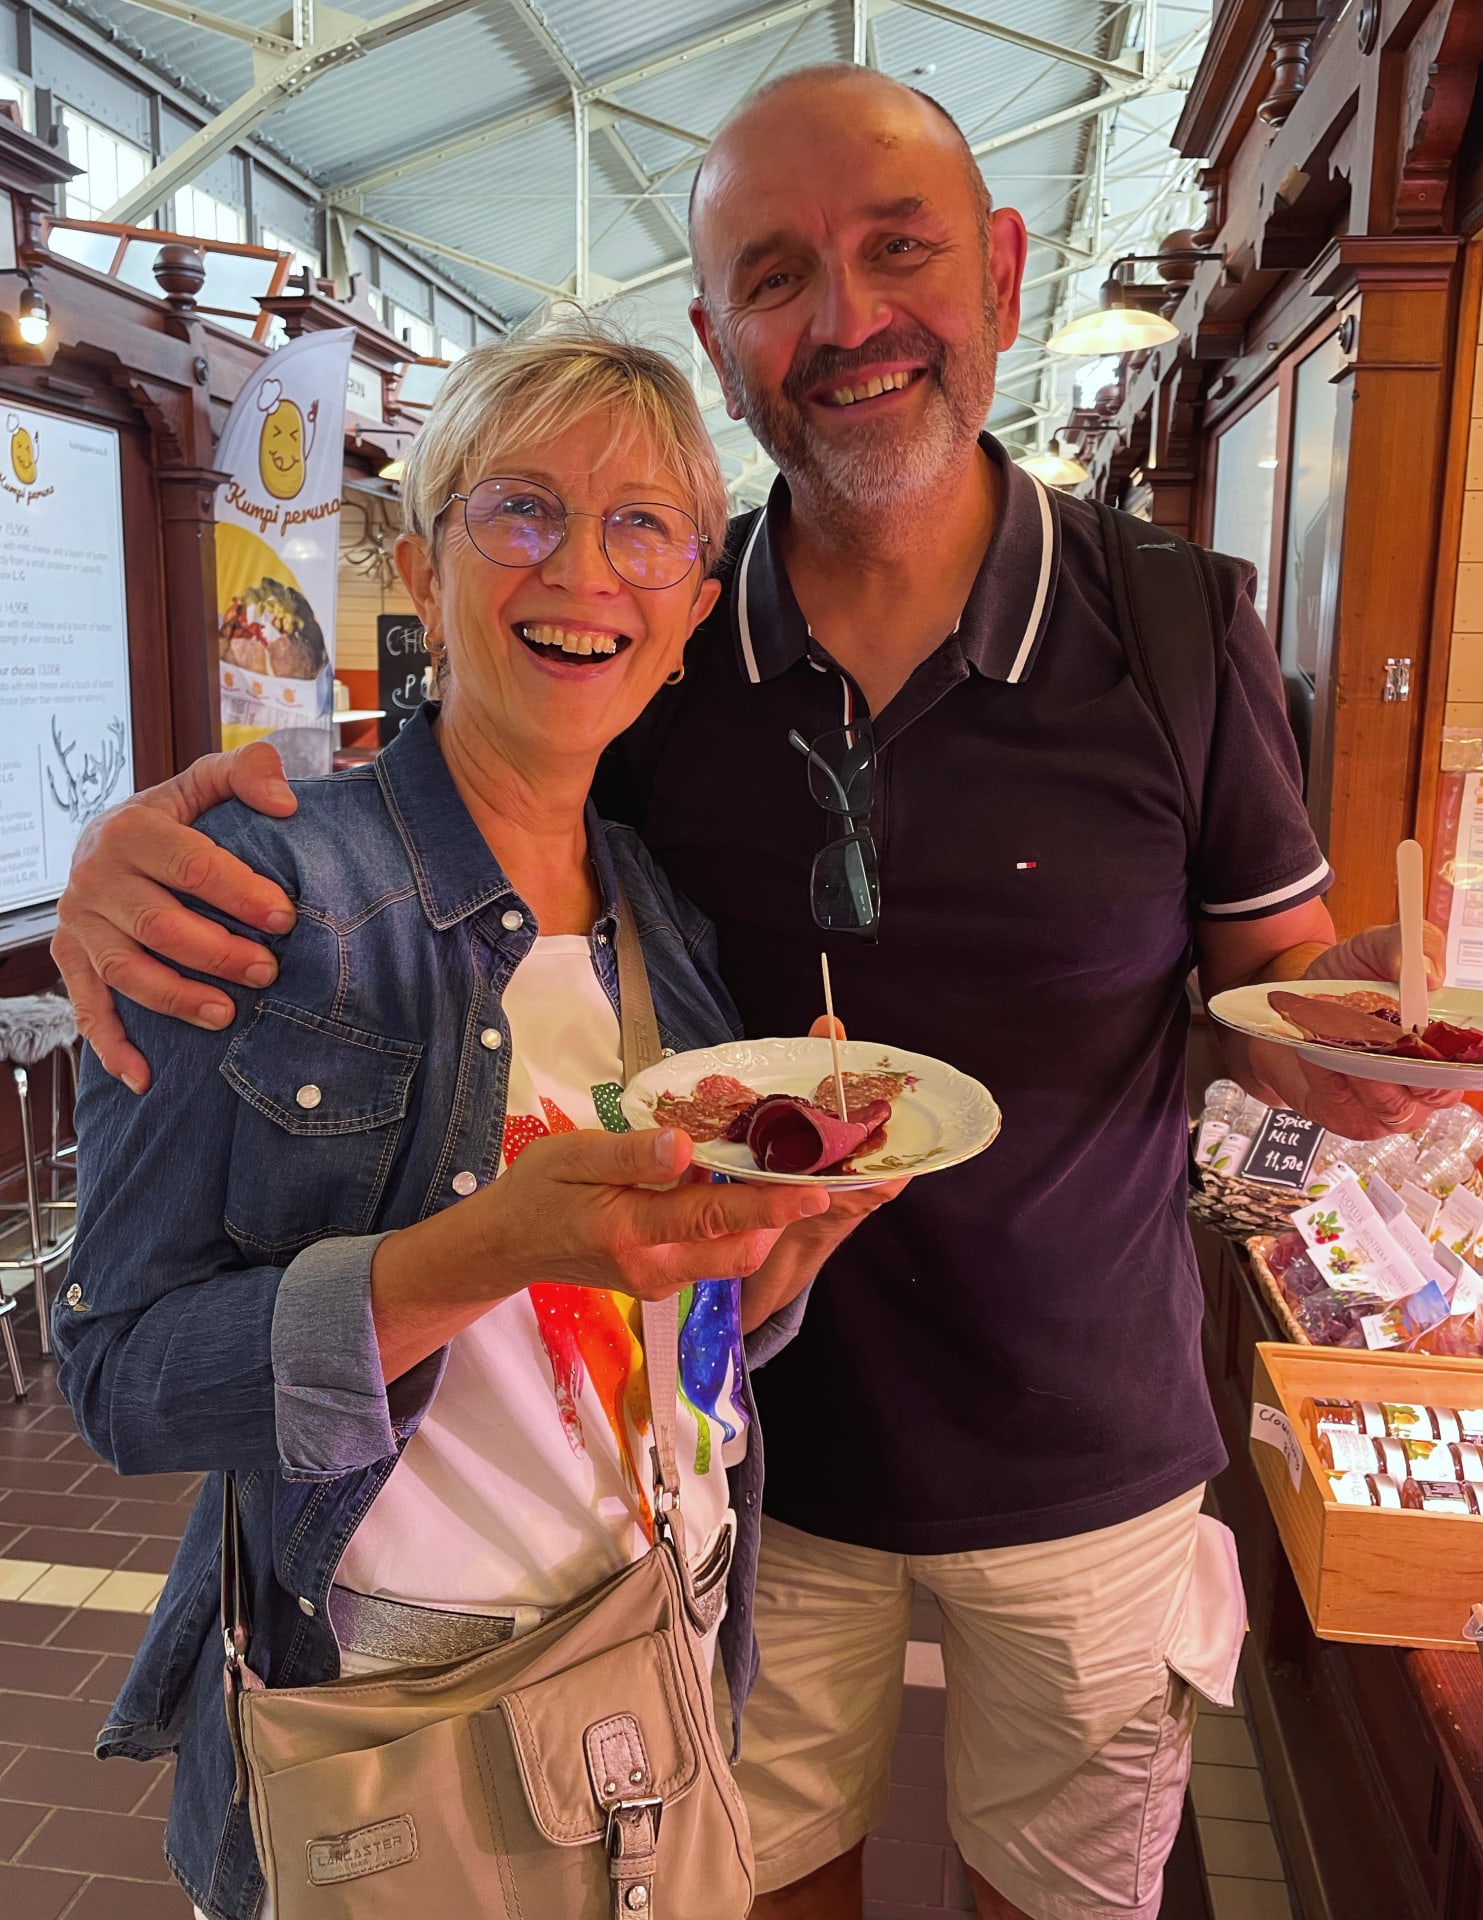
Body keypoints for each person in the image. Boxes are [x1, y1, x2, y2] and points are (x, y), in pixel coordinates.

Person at [54, 66, 1446, 1920]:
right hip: (754, 1501)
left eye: (899, 251)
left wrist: (1386, 1029)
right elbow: (461, 831)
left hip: (1071, 1446)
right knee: (756, 1881)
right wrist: (135, 849)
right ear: (721, 341)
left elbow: (1272, 988)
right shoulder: (658, 672)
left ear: (1003, 271)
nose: (850, 319)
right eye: (779, 275)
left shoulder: (1177, 622)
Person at [51, 327, 905, 1920]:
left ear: (689, 611)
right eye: (520, 509)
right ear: (422, 571)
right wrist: (487, 1248)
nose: (581, 568)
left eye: (642, 526)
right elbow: (119, 1381)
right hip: (397, 1715)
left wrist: (785, 1246)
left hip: (667, 1644)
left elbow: (684, 1339)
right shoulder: (262, 893)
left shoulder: (668, 928)